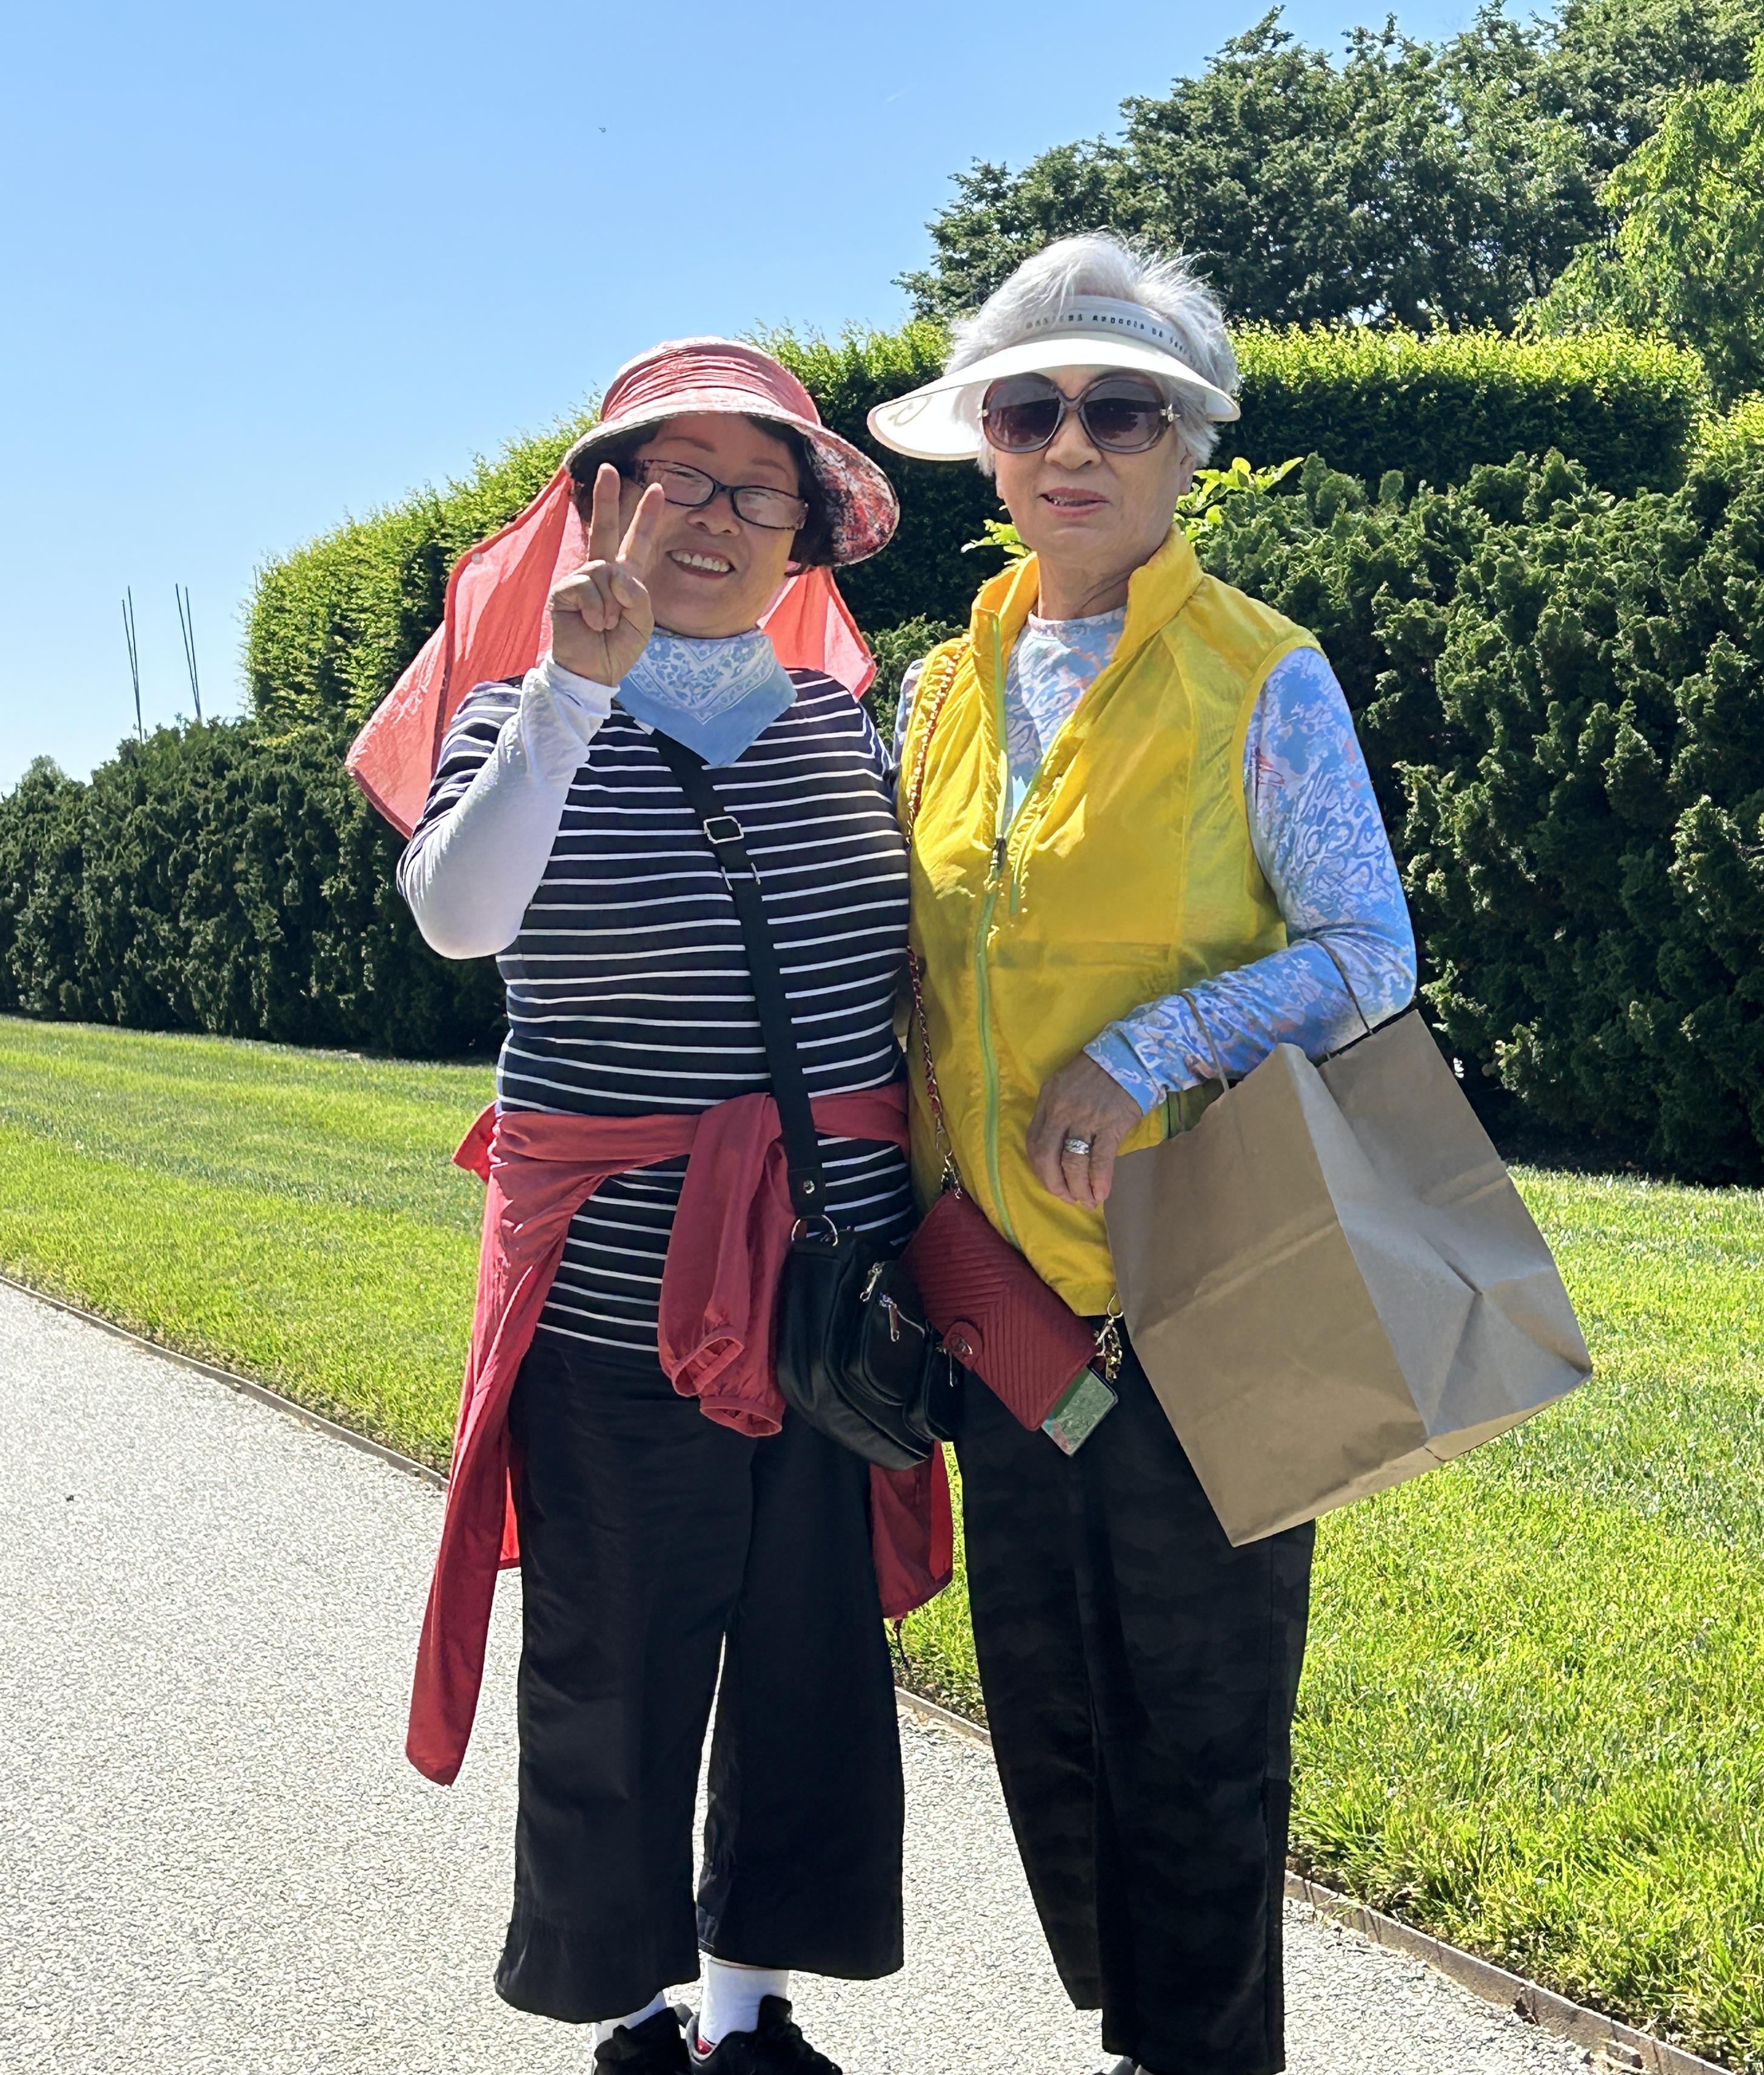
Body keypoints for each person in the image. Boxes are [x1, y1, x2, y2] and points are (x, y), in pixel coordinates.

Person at [869, 235, 1417, 2075]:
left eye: (1120, 410)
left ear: (1187, 442)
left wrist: (1150, 1043)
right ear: (986, 448)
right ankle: (1142, 2039)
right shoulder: (939, 695)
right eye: (1028, 411)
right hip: (1002, 1298)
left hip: (1208, 1280)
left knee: (1201, 1727)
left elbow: (1371, 956)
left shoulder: (1265, 677)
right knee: (1051, 1714)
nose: (1071, 445)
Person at [399, 339, 913, 2075]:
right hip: (616, 1304)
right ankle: (630, 2011)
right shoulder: (518, 713)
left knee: (807, 1661)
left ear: (804, 538)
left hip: (829, 1297)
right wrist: (573, 689)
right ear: (603, 506)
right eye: (674, 478)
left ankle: (757, 2008)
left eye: (757, 491)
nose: (714, 517)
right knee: (612, 1659)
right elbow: (459, 916)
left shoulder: (847, 731)